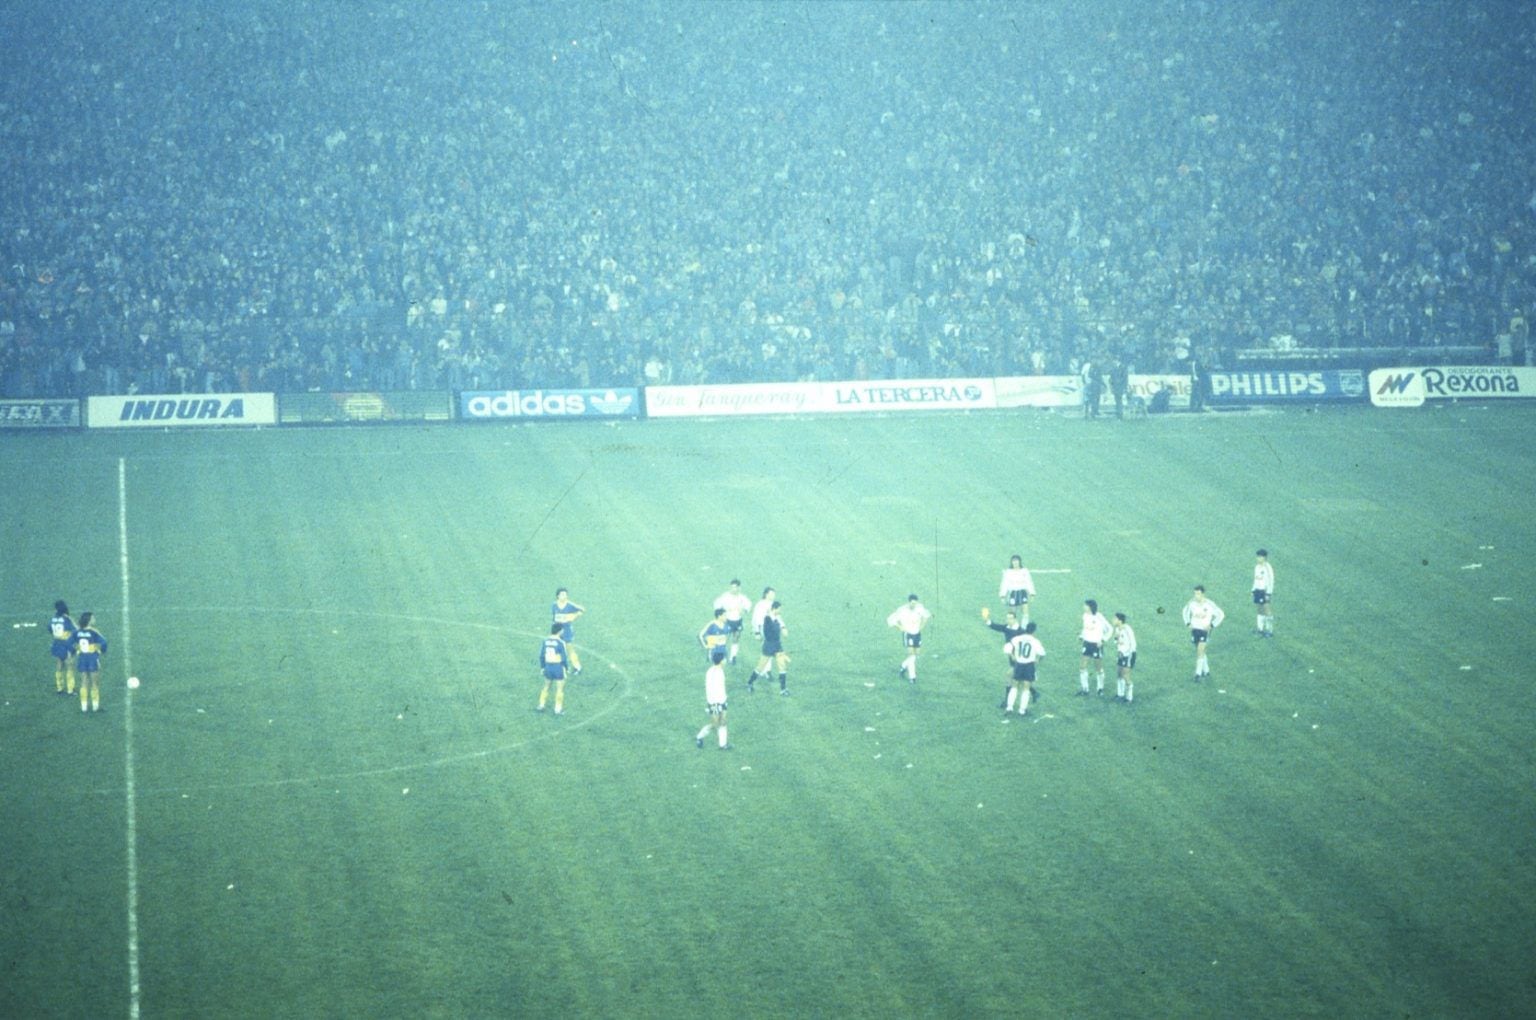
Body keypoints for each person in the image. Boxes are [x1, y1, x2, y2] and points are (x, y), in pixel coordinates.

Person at [981, 606, 1026, 708]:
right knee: (1018, 680)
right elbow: (995, 626)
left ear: (1015, 619)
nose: (1008, 620)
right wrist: (987, 620)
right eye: (1007, 618)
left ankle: (1009, 702)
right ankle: (1024, 698)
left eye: (1010, 618)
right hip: (1012, 657)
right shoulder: (1007, 628)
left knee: (1010, 677)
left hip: (1018, 658)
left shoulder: (1020, 631)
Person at [1181, 585, 1225, 681]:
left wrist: (1212, 625)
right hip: (1195, 630)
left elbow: (1221, 614)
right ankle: (1206, 670)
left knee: (1200, 651)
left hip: (1204, 631)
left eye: (1198, 594)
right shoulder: (1191, 603)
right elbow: (1185, 612)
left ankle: (1198, 673)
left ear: (1203, 594)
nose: (1196, 596)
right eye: (1195, 593)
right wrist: (1188, 623)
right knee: (1200, 650)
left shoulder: (1209, 605)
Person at [887, 593, 931, 683]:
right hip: (908, 634)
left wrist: (922, 625)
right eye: (912, 603)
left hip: (917, 634)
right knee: (911, 655)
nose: (913, 605)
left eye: (915, 603)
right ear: (909, 602)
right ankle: (912, 677)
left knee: (916, 654)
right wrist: (900, 627)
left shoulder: (920, 608)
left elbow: (926, 616)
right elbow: (890, 620)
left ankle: (903, 666)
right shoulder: (902, 610)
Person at [1003, 622, 1045, 716]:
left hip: (1018, 664)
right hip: (1028, 666)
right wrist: (1037, 660)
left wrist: (1012, 655)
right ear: (1034, 631)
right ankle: (1022, 710)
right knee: (1026, 688)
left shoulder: (1017, 638)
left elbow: (1007, 648)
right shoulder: (1035, 641)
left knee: (1014, 686)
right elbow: (1042, 653)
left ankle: (1009, 707)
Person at [749, 600, 790, 695]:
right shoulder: (767, 619)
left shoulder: (776, 618)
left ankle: (783, 689)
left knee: (782, 666)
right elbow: (768, 633)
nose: (780, 611)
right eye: (779, 609)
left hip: (777, 645)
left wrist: (783, 629)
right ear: (774, 609)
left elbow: (780, 627)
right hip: (769, 646)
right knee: (760, 666)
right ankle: (750, 683)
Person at [1078, 598, 1114, 695]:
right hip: (1087, 643)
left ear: (1090, 607)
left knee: (1098, 667)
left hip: (1096, 645)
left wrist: (1103, 640)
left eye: (1085, 605)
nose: (1083, 607)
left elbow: (1110, 629)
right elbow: (1085, 628)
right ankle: (1085, 689)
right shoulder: (1085, 616)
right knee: (1082, 666)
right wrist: (1082, 636)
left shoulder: (1099, 617)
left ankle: (1100, 688)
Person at [73, 612, 108, 713]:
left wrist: (76, 650)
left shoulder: (77, 632)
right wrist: (102, 651)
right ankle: (95, 707)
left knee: (84, 682)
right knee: (94, 683)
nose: (94, 619)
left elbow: (70, 642)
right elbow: (104, 642)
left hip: (82, 659)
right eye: (92, 618)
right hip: (92, 659)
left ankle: (83, 707)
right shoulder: (93, 632)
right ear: (89, 620)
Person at [713, 579, 753, 664]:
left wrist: (744, 610)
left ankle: (733, 657)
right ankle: (720, 654)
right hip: (727, 620)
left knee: (736, 638)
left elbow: (748, 606)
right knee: (725, 638)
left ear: (739, 588)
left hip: (737, 621)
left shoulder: (742, 598)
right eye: (732, 587)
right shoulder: (725, 596)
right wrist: (723, 611)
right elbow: (716, 605)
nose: (732, 589)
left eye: (735, 587)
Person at [695, 658, 730, 750]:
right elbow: (711, 690)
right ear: (721, 661)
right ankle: (699, 737)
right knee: (715, 724)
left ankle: (723, 744)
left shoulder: (719, 671)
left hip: (722, 700)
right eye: (724, 659)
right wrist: (713, 704)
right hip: (715, 702)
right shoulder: (713, 673)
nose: (725, 661)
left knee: (723, 721)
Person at [536, 623, 570, 715]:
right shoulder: (560, 642)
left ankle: (541, 705)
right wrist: (566, 668)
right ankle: (558, 709)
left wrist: (543, 667)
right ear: (559, 631)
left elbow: (541, 656)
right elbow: (564, 658)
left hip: (548, 667)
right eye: (562, 630)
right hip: (558, 667)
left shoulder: (545, 641)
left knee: (546, 686)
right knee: (560, 689)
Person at [551, 588, 585, 674]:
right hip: (557, 631)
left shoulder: (569, 605)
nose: (564, 596)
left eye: (565, 594)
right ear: (557, 596)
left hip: (566, 630)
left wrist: (575, 616)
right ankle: (561, 666)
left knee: (570, 649)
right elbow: (554, 617)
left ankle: (577, 667)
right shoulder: (554, 605)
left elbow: (582, 610)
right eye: (562, 594)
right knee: (557, 648)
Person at [998, 555, 1037, 625]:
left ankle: (1024, 628)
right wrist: (1002, 595)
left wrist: (1032, 593)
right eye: (1014, 561)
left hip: (1022, 592)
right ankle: (1014, 627)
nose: (1015, 563)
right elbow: (1004, 584)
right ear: (1012, 562)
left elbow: (1029, 582)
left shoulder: (1024, 571)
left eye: (1016, 561)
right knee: (1013, 612)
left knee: (1025, 610)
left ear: (1019, 562)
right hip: (1013, 593)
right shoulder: (1008, 572)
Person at [49, 599, 77, 696]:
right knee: (69, 666)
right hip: (66, 644)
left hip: (56, 643)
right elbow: (76, 630)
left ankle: (59, 688)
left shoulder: (53, 618)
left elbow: (49, 629)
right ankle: (70, 689)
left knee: (59, 664)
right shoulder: (66, 619)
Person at [1113, 612, 1137, 703]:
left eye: (1115, 619)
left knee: (1125, 675)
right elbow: (1117, 641)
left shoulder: (1127, 629)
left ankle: (1129, 698)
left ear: (1120, 620)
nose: (1113, 620)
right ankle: (1120, 694)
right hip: (1121, 654)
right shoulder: (1117, 629)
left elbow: (1132, 644)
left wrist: (1126, 653)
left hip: (1129, 654)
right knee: (1119, 673)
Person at [1252, 549, 1275, 637]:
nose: (1258, 558)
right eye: (1257, 556)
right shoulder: (1257, 567)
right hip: (1257, 590)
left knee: (1267, 610)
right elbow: (1256, 579)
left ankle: (1269, 630)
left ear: (1264, 557)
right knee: (1259, 609)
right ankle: (1260, 629)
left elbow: (1271, 581)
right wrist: (1253, 589)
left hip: (1264, 591)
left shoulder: (1267, 568)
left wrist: (1268, 593)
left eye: (1260, 557)